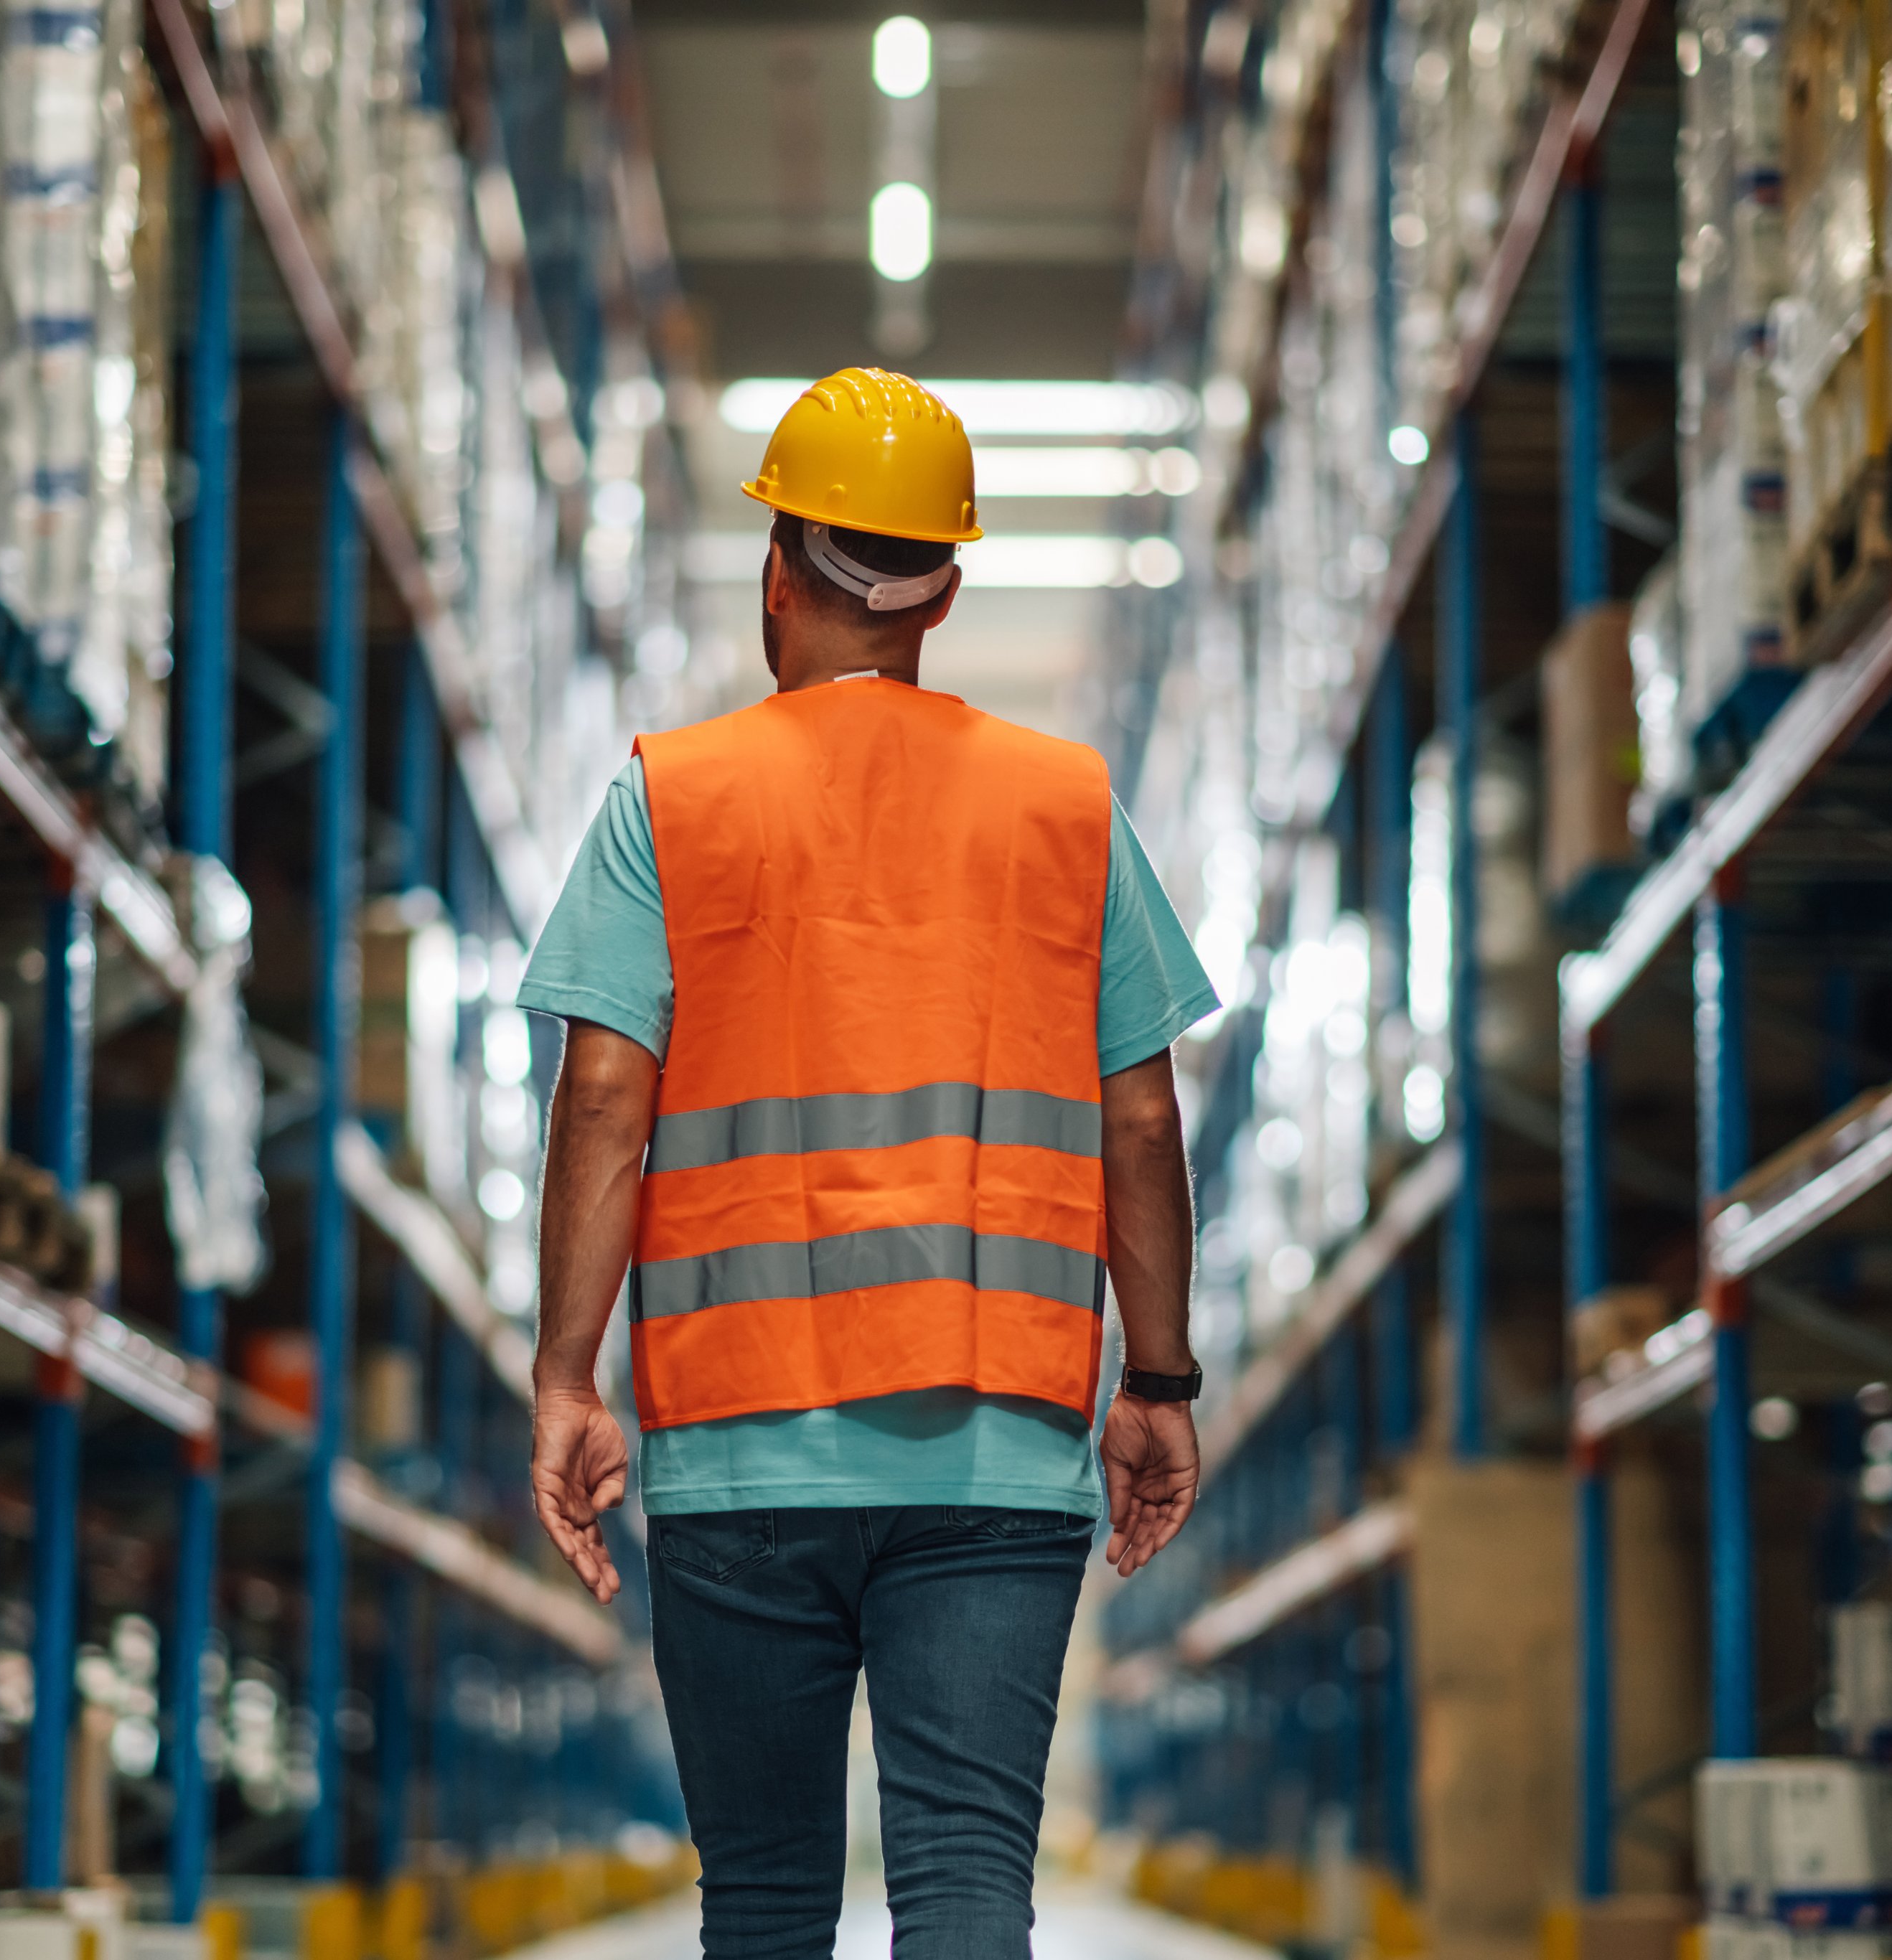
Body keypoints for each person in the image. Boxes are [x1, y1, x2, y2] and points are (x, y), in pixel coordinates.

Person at [516, 367, 1218, 1959]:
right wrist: (1157, 1380)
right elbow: (1140, 1120)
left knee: (762, 1897)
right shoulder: (1065, 808)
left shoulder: (668, 800)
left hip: (736, 1445)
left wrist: (567, 1375)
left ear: (779, 565)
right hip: (993, 1454)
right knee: (967, 1878)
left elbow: (605, 1101)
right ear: (943, 589)